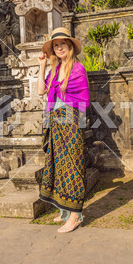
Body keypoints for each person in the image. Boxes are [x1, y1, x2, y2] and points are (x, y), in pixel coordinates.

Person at [37, 27, 90, 233]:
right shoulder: (54, 71)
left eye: (62, 44)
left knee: (73, 166)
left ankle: (75, 216)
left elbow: (82, 101)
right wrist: (42, 66)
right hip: (55, 122)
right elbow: (42, 91)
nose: (59, 48)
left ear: (70, 46)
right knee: (58, 166)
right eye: (55, 45)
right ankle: (65, 211)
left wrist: (65, 119)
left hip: (70, 122)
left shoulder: (77, 70)